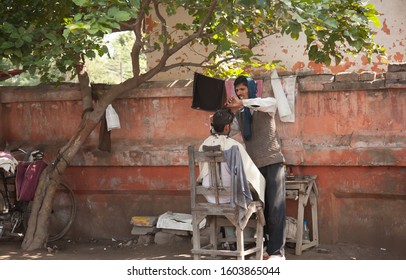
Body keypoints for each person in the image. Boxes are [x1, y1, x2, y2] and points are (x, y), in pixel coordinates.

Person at [225, 75, 286, 260]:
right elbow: (230, 130)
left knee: (276, 208)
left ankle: (277, 252)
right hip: (255, 167)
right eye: (237, 91)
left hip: (273, 161)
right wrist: (222, 116)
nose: (239, 93)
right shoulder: (241, 114)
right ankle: (265, 248)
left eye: (243, 89)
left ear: (252, 89)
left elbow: (269, 103)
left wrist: (242, 103)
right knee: (261, 209)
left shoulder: (266, 104)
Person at [197, 108, 265, 205]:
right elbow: (251, 174)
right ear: (226, 127)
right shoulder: (235, 146)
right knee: (259, 183)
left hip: (209, 196)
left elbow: (202, 172)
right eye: (231, 124)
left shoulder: (204, 145)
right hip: (230, 196)